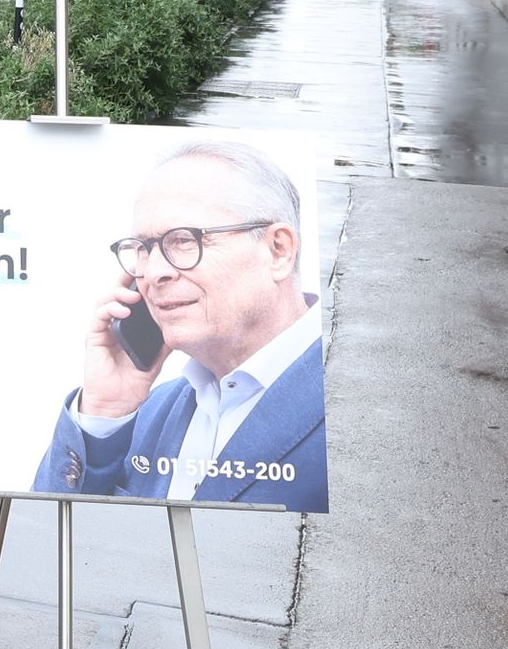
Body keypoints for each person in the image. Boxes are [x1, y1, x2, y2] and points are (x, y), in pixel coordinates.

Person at [35, 139, 326, 511]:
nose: (153, 273)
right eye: (143, 248)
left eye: (184, 241)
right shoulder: (149, 411)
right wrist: (103, 412)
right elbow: (48, 540)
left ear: (278, 250)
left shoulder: (343, 398)